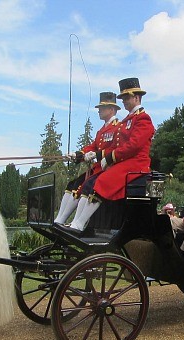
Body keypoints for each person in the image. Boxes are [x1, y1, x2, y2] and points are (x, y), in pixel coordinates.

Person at [65, 77, 155, 233]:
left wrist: (108, 157)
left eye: (127, 98)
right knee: (91, 182)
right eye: (123, 98)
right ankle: (77, 223)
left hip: (137, 163)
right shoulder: (127, 120)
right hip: (123, 162)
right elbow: (115, 145)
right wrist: (87, 154)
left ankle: (79, 224)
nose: (124, 101)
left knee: (103, 181)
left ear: (137, 98)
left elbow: (133, 146)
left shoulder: (143, 119)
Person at [54, 92, 121, 224]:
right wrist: (78, 154)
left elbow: (115, 149)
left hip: (108, 168)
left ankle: (78, 223)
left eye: (102, 108)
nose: (99, 111)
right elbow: (92, 147)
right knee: (73, 184)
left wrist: (96, 155)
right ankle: (60, 219)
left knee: (87, 186)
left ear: (112, 109)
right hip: (98, 169)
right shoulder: (101, 131)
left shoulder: (118, 128)